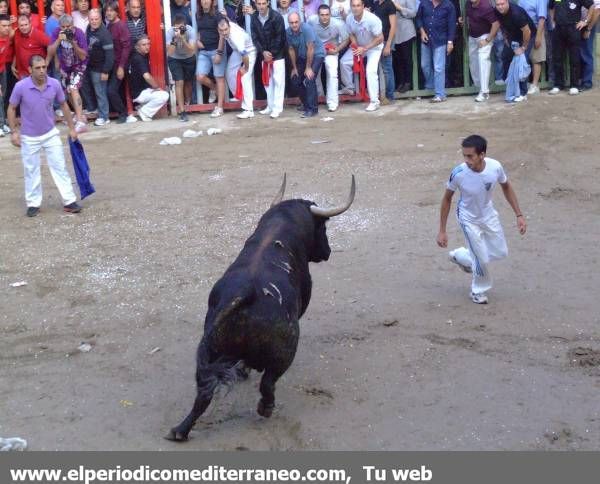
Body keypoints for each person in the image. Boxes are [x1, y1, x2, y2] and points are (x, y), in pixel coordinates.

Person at [437, 134, 526, 305]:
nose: (466, 160)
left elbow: (506, 187)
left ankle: (461, 256)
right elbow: (447, 198)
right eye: (464, 155)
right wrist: (442, 230)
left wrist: (519, 215)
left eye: (470, 156)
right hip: (467, 217)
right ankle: (478, 291)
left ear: (482, 154)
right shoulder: (459, 173)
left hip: (488, 214)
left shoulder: (495, 167)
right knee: (482, 260)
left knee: (500, 252)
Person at [7, 55, 82, 217]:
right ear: (30, 70)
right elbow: (11, 108)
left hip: (50, 133)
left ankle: (69, 201)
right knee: (31, 170)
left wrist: (72, 128)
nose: (42, 71)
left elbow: (63, 104)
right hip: (29, 136)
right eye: (38, 68)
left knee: (59, 167)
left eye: (44, 67)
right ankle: (33, 203)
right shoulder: (20, 86)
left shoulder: (54, 84)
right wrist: (14, 132)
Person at [47, 13, 89, 133]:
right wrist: (58, 40)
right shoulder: (57, 32)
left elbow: (83, 56)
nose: (66, 29)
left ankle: (80, 122)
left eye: (68, 26)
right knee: (68, 91)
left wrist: (73, 43)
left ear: (73, 25)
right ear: (60, 26)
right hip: (65, 66)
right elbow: (50, 50)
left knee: (73, 88)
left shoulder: (79, 33)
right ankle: (79, 115)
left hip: (79, 65)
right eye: (63, 27)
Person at [340, 0, 384, 111]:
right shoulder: (349, 18)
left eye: (358, 5)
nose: (356, 8)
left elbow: (380, 38)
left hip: (374, 48)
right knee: (344, 62)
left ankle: (374, 101)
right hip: (359, 47)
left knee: (370, 71)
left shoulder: (372, 19)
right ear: (351, 7)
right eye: (353, 6)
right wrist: (355, 45)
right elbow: (351, 34)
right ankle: (349, 88)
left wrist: (364, 48)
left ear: (363, 6)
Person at [248, 0, 287, 118]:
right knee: (267, 82)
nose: (261, 6)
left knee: (278, 82)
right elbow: (254, 37)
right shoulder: (254, 17)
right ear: (255, 4)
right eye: (259, 4)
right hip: (264, 55)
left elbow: (280, 37)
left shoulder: (277, 17)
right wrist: (263, 52)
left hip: (278, 55)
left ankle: (277, 108)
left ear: (268, 3)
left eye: (263, 3)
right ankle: (270, 106)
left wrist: (271, 53)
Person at [307, 4, 349, 112]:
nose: (324, 17)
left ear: (330, 14)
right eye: (322, 15)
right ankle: (319, 96)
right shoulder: (311, 21)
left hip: (331, 51)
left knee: (332, 73)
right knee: (314, 74)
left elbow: (346, 39)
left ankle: (332, 102)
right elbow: (307, 36)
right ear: (318, 15)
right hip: (317, 51)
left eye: (327, 15)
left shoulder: (338, 24)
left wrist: (336, 50)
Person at [548, 0, 594, 95]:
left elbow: (592, 6)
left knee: (574, 58)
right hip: (558, 29)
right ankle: (558, 84)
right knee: (557, 57)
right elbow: (551, 8)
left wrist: (585, 21)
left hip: (573, 28)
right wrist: (553, 22)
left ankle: (574, 85)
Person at [415, 0, 456, 103]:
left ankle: (440, 94)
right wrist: (422, 32)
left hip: (441, 40)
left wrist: (450, 42)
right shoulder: (424, 3)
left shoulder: (448, 5)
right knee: (424, 65)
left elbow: (452, 24)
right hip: (426, 39)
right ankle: (430, 86)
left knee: (439, 67)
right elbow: (418, 18)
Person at [286, 11, 324, 117]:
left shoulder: (307, 29)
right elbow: (291, 50)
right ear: (289, 23)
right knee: (295, 79)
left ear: (300, 21)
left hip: (316, 54)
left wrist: (308, 68)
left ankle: (313, 109)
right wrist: (294, 68)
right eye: (291, 22)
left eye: (296, 22)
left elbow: (311, 49)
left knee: (309, 78)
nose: (294, 25)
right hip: (303, 56)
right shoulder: (288, 32)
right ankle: (306, 104)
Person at [218, 16, 256, 119]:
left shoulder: (236, 37)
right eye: (221, 30)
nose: (224, 32)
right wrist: (225, 16)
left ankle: (249, 110)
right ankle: (239, 96)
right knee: (229, 72)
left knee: (245, 77)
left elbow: (245, 55)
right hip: (237, 51)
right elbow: (226, 21)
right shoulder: (227, 25)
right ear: (218, 29)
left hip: (249, 52)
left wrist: (246, 68)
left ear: (229, 27)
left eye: (226, 30)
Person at [82, 8, 113, 126]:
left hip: (100, 68)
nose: (94, 21)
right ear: (88, 19)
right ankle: (94, 109)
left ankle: (104, 116)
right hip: (90, 65)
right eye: (92, 19)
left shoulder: (104, 34)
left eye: (96, 19)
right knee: (89, 89)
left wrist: (106, 71)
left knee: (100, 92)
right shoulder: (88, 29)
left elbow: (110, 55)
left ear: (101, 19)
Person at [464, 0, 499, 102]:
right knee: (473, 62)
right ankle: (479, 87)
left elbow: (496, 24)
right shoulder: (468, 4)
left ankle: (484, 92)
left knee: (483, 59)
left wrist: (487, 40)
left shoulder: (485, 6)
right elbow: (468, 17)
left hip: (485, 35)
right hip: (472, 36)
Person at [128, 34, 169, 120]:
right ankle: (144, 112)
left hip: (141, 91)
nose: (147, 46)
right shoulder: (138, 58)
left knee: (164, 91)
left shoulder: (138, 56)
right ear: (137, 47)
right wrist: (157, 87)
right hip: (140, 94)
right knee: (164, 95)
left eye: (148, 44)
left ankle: (141, 107)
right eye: (144, 45)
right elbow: (147, 76)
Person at [196, 0, 225, 117]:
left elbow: (223, 34)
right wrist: (197, 40)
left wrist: (219, 53)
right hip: (203, 52)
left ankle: (220, 107)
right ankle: (214, 89)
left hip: (215, 50)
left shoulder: (218, 15)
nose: (205, 1)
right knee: (200, 77)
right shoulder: (198, 14)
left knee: (219, 78)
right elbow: (199, 30)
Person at [105, 1, 133, 123]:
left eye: (111, 10)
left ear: (116, 12)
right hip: (112, 64)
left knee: (111, 90)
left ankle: (123, 113)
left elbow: (127, 47)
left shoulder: (121, 26)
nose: (109, 13)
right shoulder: (109, 26)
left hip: (120, 64)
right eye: (107, 11)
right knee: (117, 90)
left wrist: (121, 67)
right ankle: (122, 113)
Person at [166, 12, 196, 121]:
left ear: (185, 26)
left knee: (188, 82)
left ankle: (187, 104)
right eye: (176, 28)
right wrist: (175, 39)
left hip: (189, 57)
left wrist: (183, 38)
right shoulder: (170, 32)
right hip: (174, 59)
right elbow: (169, 52)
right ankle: (182, 111)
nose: (179, 30)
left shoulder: (190, 30)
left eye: (181, 28)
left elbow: (192, 49)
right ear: (173, 26)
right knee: (179, 82)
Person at [366, 0, 396, 104]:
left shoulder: (389, 4)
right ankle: (382, 96)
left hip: (386, 40)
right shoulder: (376, 4)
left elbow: (393, 26)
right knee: (379, 70)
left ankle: (390, 96)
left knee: (387, 69)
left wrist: (388, 44)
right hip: (377, 40)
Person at [518, 0, 545, 95]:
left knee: (536, 58)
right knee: (524, 58)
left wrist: (538, 36)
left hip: (537, 29)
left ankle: (535, 85)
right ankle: (524, 84)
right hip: (524, 31)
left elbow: (542, 18)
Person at [12, 15, 49, 80]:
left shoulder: (38, 34)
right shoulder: (17, 33)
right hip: (22, 73)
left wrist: (47, 62)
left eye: (26, 25)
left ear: (30, 24)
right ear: (18, 26)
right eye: (21, 25)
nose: (24, 27)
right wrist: (13, 65)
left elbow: (51, 46)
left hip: (37, 73)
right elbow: (17, 50)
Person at [391, 0, 416, 93]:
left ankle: (408, 82)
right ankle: (401, 82)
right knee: (397, 60)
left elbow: (413, 13)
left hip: (406, 31)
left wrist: (399, 8)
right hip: (393, 32)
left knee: (407, 58)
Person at [0, 14, 12, 136]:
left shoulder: (8, 35)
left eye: (8, 25)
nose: (7, 28)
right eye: (3, 26)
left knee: (3, 98)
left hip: (2, 69)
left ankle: (2, 124)